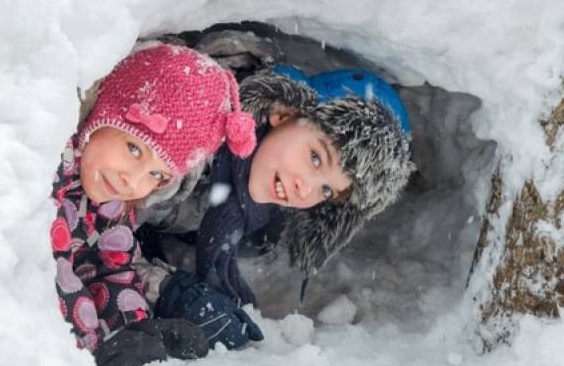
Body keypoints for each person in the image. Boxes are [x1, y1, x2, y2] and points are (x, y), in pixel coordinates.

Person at [136, 63, 415, 350]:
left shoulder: (257, 213)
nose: (306, 189)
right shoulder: (189, 146)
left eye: (327, 190)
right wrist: (167, 289)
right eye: (316, 158)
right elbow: (96, 222)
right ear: (283, 113)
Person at [49, 43, 257, 366]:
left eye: (156, 175)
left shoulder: (113, 201)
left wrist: (138, 329)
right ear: (104, 112)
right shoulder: (46, 171)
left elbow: (109, 270)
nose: (132, 180)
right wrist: (94, 345)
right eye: (134, 148)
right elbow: (47, 280)